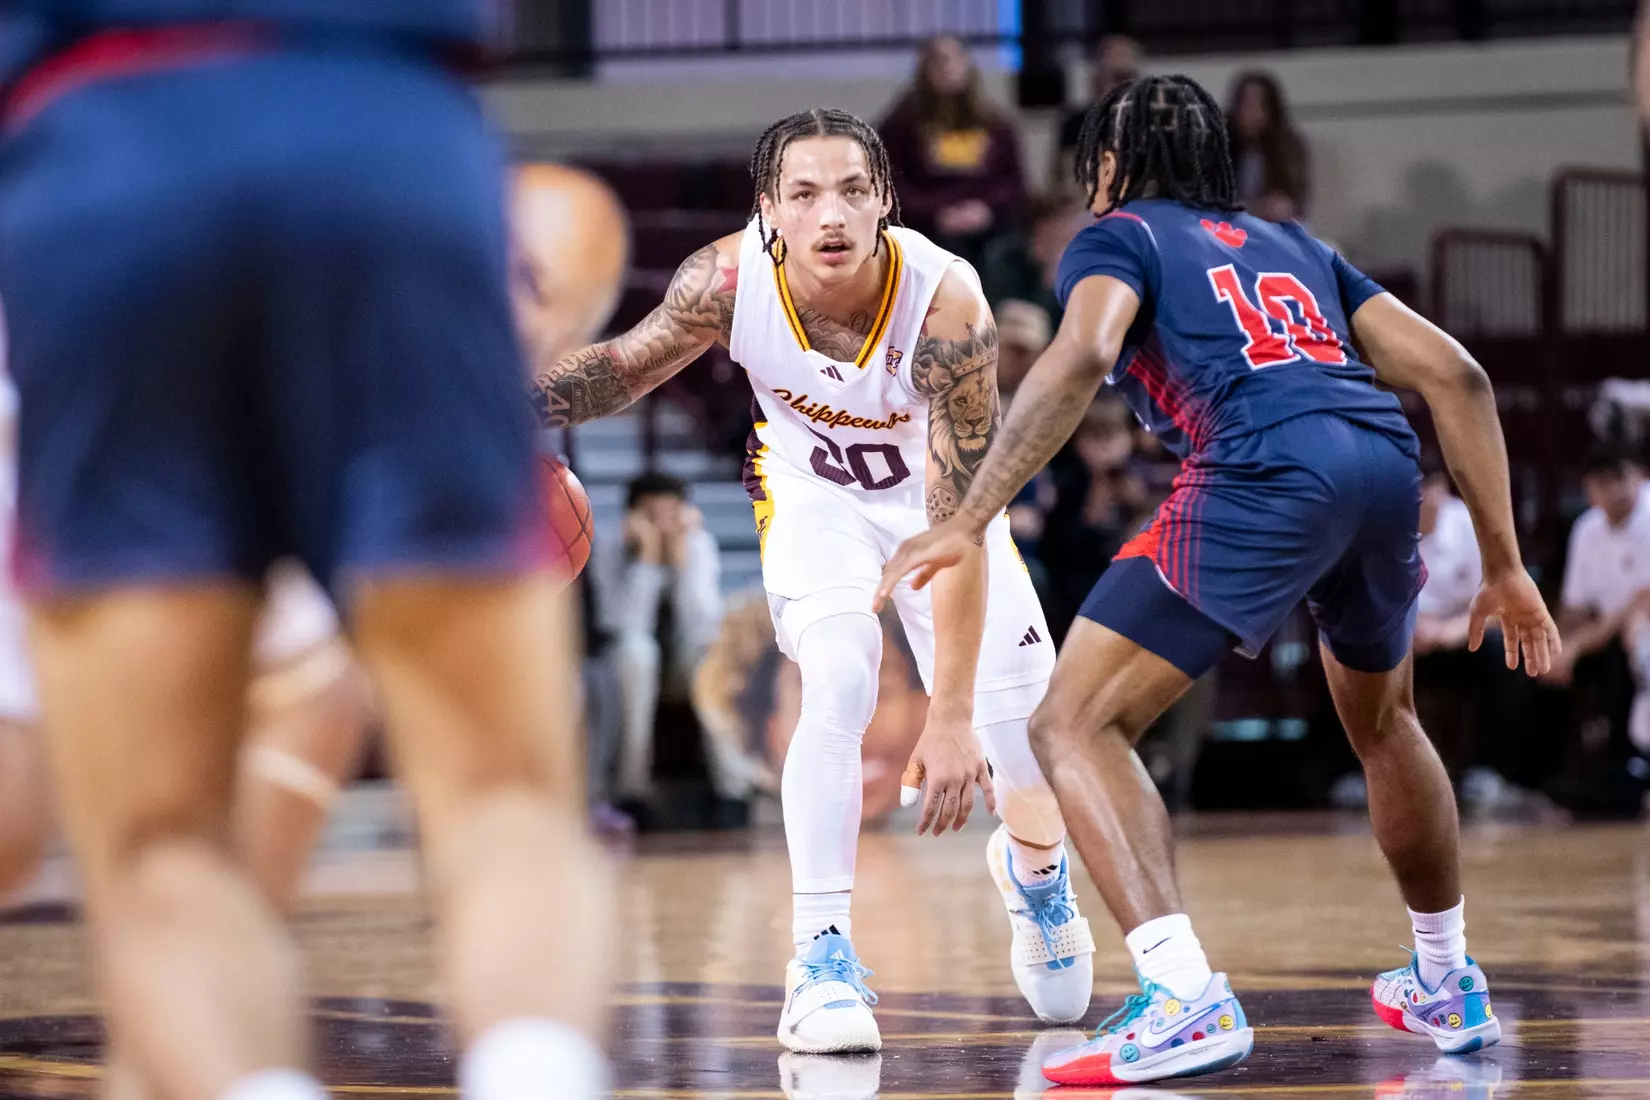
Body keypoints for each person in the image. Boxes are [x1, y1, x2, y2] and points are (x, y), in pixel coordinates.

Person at [876, 75, 1559, 1086]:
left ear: (1106, 164)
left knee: (1068, 723)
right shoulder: (1295, 245)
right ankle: (1447, 976)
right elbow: (1458, 375)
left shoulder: (1119, 237)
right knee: (1385, 724)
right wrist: (1506, 564)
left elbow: (1083, 353)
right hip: (1379, 462)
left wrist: (972, 513)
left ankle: (1183, 992)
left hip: (1264, 467)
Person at [0, 11, 610, 1100]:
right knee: (505, 797)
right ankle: (537, 1069)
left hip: (104, 154)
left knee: (158, 851)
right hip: (379, 131)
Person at [533, 107, 1099, 1053]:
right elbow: (622, 368)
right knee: (837, 671)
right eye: (803, 194)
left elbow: (957, 523)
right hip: (813, 498)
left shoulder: (947, 304)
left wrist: (950, 712)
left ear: (884, 200)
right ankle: (821, 958)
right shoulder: (724, 280)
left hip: (939, 512)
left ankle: (1037, 879)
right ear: (769, 211)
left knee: (1026, 753)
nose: (829, 214)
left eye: (850, 190)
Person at [593, 472, 723, 806]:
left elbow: (703, 622)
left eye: (671, 514)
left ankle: (732, 790)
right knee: (637, 653)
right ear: (633, 516)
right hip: (625, 660)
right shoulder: (609, 545)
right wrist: (648, 558)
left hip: (682, 656)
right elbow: (623, 622)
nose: (663, 524)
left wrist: (682, 561)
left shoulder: (698, 543)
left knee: (711, 658)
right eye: (652, 516)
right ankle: (630, 788)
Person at [880, 36, 1030, 272]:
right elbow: (892, 184)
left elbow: (1014, 184)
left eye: (953, 59)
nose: (946, 68)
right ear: (924, 70)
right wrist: (937, 214)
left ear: (968, 66)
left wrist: (985, 210)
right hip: (926, 227)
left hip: (989, 226)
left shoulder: (997, 125)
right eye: (938, 61)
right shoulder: (901, 126)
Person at [1545, 445, 1650, 749]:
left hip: (1632, 630)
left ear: (1641, 476)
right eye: (1604, 481)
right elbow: (1573, 606)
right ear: (1589, 488)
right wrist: (1557, 646)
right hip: (1601, 633)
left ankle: (1630, 764)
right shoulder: (1586, 528)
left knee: (1632, 640)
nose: (1616, 490)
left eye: (1622, 477)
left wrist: (1576, 646)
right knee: (1535, 665)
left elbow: (1641, 600)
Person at [1051, 35, 1144, 196]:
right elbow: (1067, 182)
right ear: (1097, 79)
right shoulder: (1076, 123)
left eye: (1129, 77)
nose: (1124, 86)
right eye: (1116, 78)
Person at [1226, 72, 1310, 223]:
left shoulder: (1288, 147)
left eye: (1259, 106)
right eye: (1246, 106)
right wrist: (1254, 208)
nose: (1252, 114)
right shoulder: (1221, 146)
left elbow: (1293, 200)